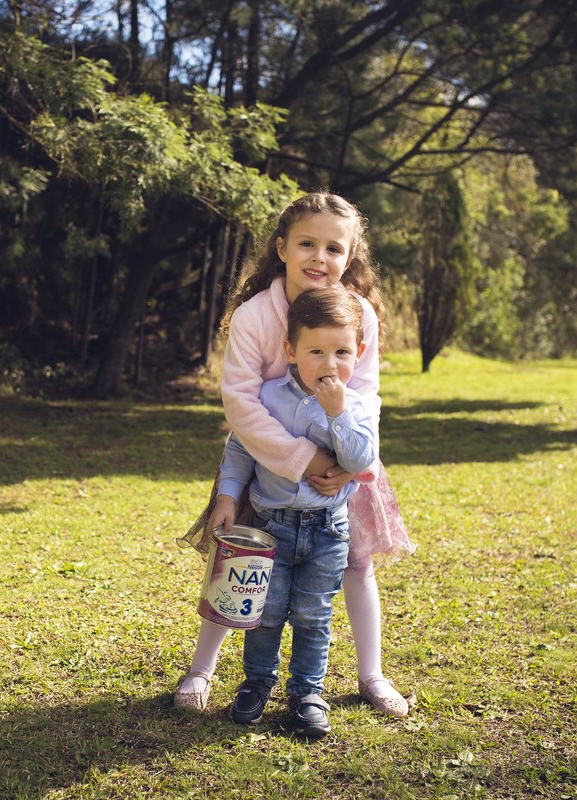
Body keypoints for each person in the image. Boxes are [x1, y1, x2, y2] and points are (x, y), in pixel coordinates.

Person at [174, 191, 413, 718]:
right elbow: (240, 402)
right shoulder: (255, 316)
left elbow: (367, 395)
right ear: (282, 248)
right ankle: (202, 670)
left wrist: (349, 466)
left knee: (355, 564)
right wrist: (303, 460)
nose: (319, 258)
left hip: (345, 465)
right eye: (307, 244)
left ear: (349, 257)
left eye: (334, 248)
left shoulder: (359, 314)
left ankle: (372, 674)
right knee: (239, 563)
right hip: (264, 460)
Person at [218, 286, 376, 737]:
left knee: (313, 614)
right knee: (265, 612)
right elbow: (242, 449)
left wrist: (338, 413)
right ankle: (256, 683)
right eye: (316, 351)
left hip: (328, 531)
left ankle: (307, 693)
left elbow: (361, 459)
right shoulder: (269, 397)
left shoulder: (357, 406)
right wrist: (227, 497)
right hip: (272, 527)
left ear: (358, 352)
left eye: (342, 352)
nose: (330, 364)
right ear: (291, 351)